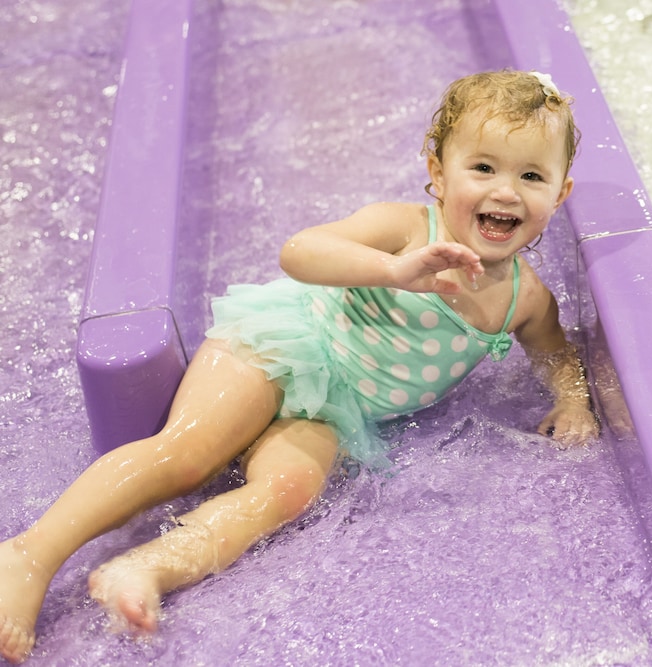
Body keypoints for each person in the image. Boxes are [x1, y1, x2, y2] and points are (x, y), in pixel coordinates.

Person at [0, 69, 598, 664]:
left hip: (336, 408)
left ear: (561, 193)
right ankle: (29, 556)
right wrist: (391, 270)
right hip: (288, 345)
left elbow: (555, 354)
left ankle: (147, 566)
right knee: (187, 455)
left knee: (288, 492)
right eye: (483, 167)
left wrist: (571, 399)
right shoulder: (406, 229)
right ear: (438, 173)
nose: (506, 192)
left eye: (531, 176)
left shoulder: (526, 299)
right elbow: (300, 252)